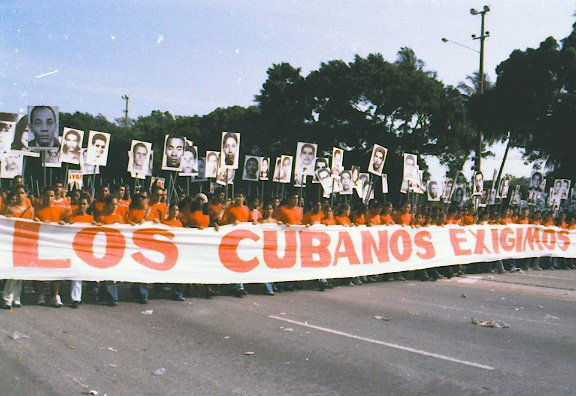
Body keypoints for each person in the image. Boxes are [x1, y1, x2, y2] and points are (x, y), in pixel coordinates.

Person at [1, 188, 34, 309]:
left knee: (20, 272)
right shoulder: (9, 209)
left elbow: (33, 226)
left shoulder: (30, 209)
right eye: (18, 193)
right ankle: (7, 298)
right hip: (12, 243)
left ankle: (17, 297)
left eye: (22, 193)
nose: (20, 195)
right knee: (12, 271)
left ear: (26, 195)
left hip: (24, 243)